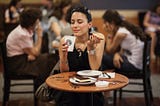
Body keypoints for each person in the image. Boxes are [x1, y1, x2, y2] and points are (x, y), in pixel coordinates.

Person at [58, 4, 105, 106]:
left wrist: (91, 48)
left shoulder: (98, 38)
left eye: (79, 22)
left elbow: (95, 68)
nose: (75, 26)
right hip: (70, 88)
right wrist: (63, 56)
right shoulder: (66, 40)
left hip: (92, 89)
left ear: (89, 24)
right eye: (72, 22)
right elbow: (64, 72)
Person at [6, 8, 59, 89]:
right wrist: (40, 35)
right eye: (37, 21)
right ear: (31, 23)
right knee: (50, 61)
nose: (38, 23)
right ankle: (44, 91)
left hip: (23, 59)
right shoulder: (22, 34)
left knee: (51, 58)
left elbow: (34, 51)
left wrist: (31, 53)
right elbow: (36, 52)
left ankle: (46, 89)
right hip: (18, 65)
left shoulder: (24, 30)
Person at [101, 10, 146, 74]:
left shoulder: (121, 33)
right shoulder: (124, 28)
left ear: (112, 23)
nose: (104, 25)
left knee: (101, 57)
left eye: (105, 23)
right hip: (137, 63)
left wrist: (109, 34)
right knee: (105, 62)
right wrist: (117, 54)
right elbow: (122, 50)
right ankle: (108, 79)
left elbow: (109, 51)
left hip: (134, 66)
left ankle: (103, 79)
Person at [143, 3, 160, 72]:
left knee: (155, 35)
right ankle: (152, 53)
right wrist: (154, 26)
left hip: (157, 31)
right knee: (153, 35)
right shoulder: (150, 13)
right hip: (149, 29)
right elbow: (145, 23)